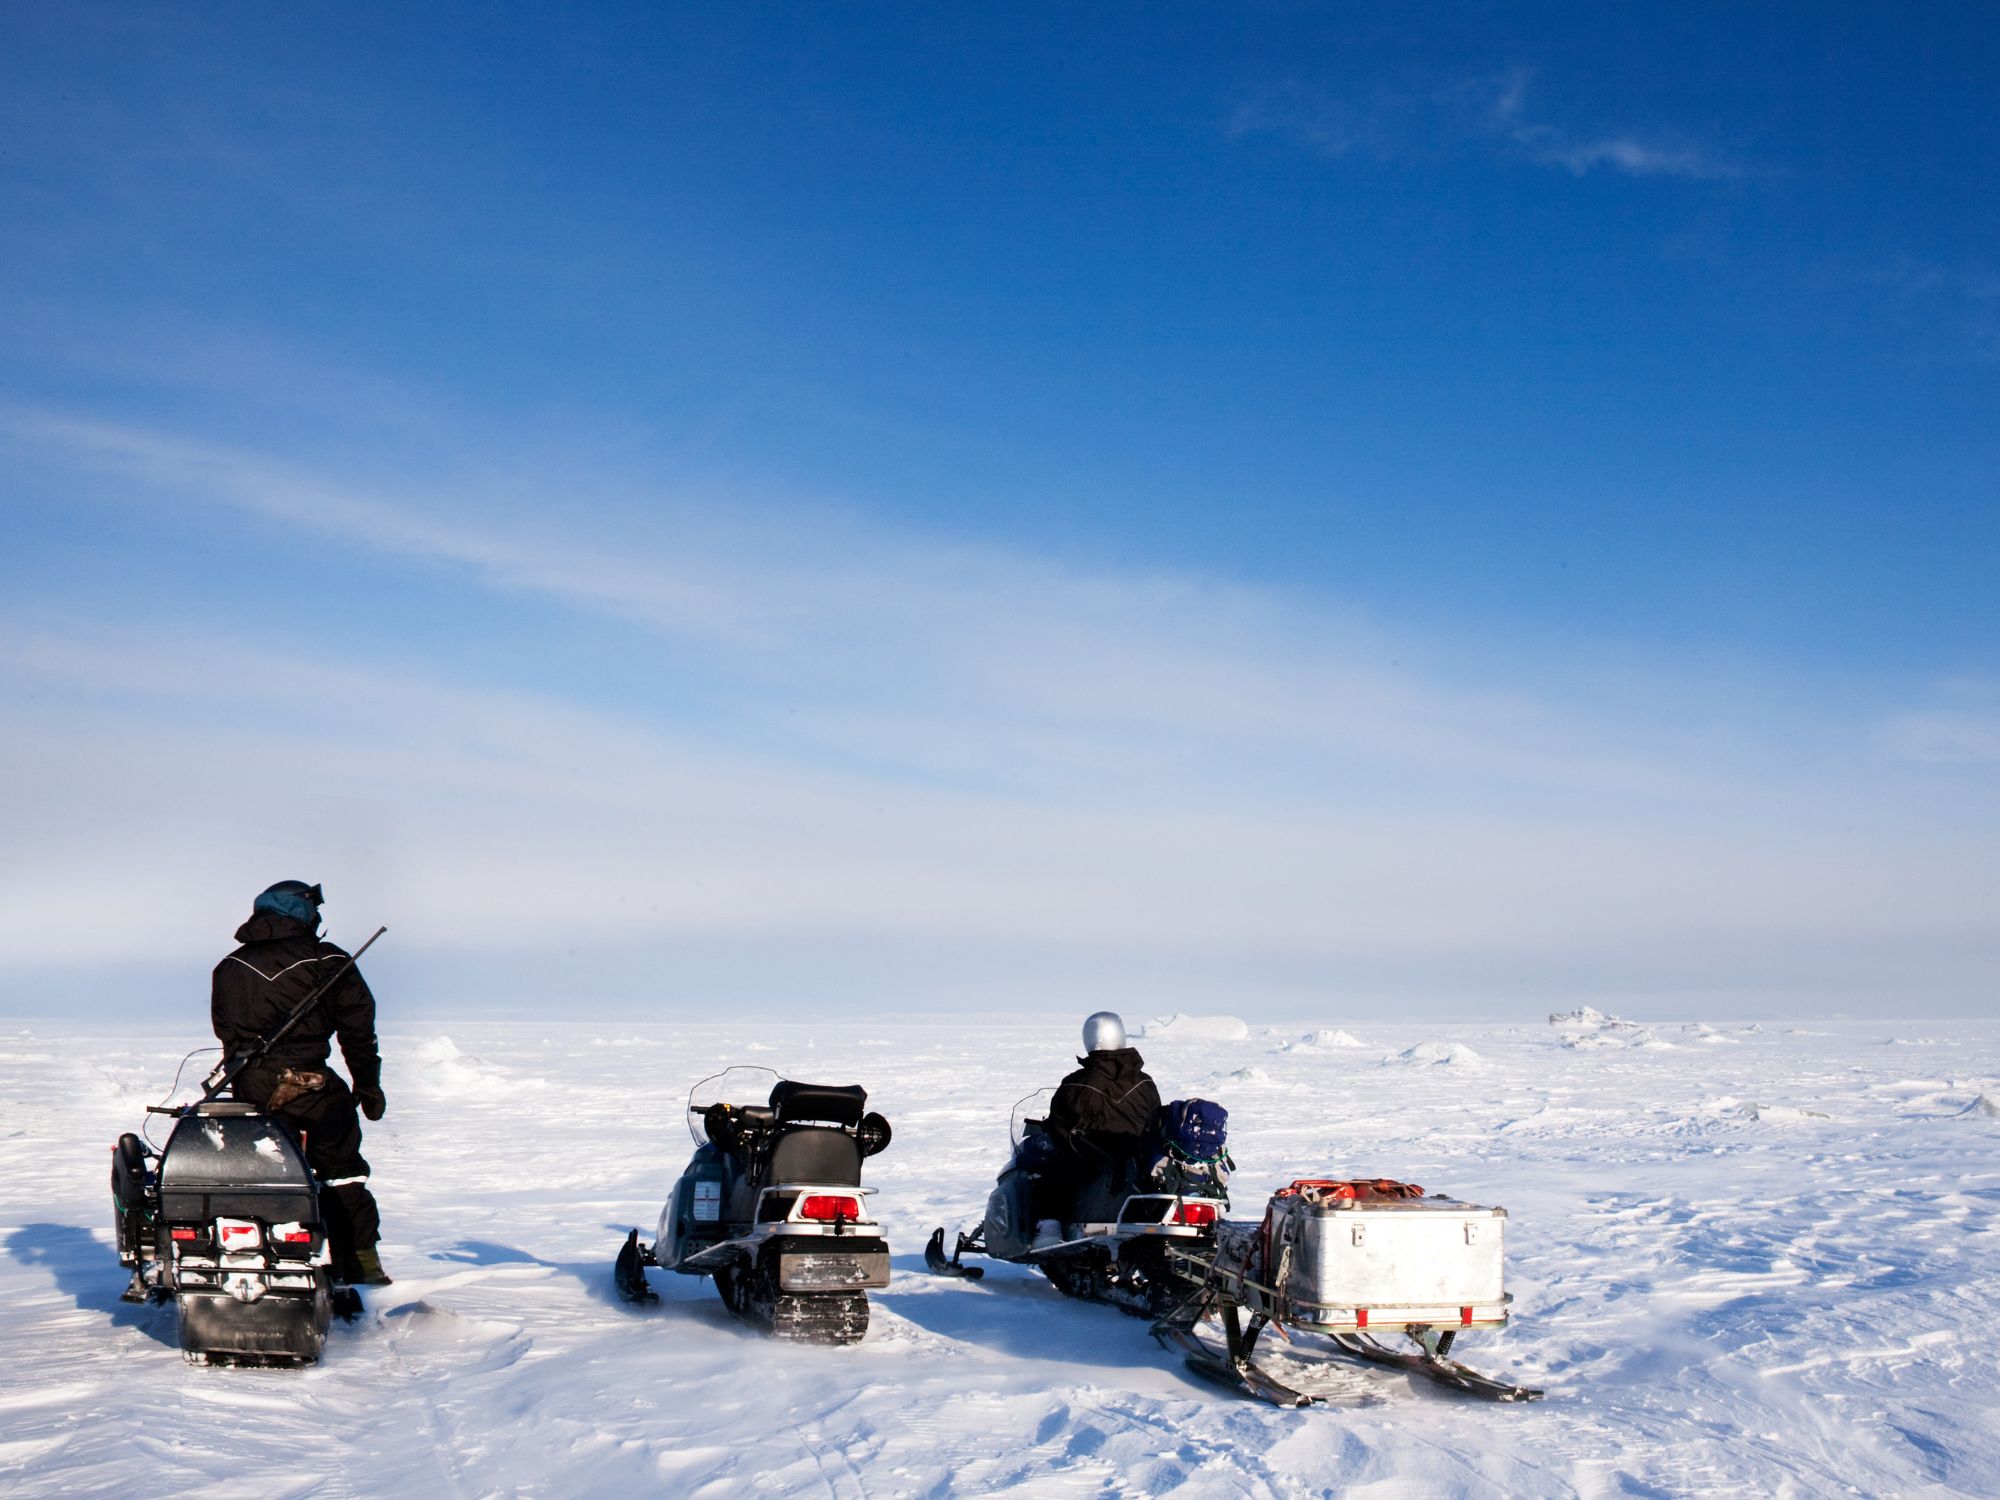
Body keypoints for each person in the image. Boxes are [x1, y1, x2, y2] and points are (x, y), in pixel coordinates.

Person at [210, 880, 390, 1286]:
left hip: (251, 1089)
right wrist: (368, 1086)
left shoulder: (229, 967)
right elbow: (358, 1033)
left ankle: (266, 1261)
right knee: (341, 1171)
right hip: (313, 1087)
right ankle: (360, 1264)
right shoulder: (329, 960)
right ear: (304, 912)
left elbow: (227, 1036)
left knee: (266, 1174)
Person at [1033, 1011, 1162, 1245]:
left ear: (1092, 1039)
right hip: (1135, 1164)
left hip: (1092, 1164)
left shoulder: (1076, 1083)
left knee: (1052, 1169)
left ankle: (1050, 1228)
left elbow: (1058, 1128)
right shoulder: (1145, 1082)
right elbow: (1156, 1121)